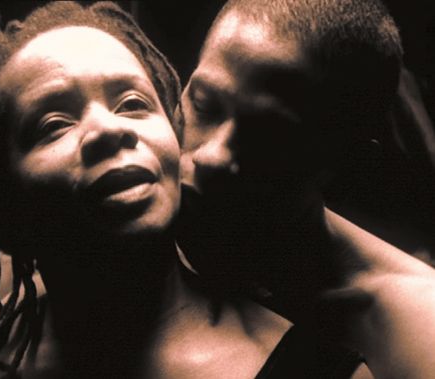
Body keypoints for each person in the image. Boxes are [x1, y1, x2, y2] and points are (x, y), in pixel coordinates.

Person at [177, 0, 435, 378]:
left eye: (267, 139)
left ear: (348, 163)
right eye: (204, 105)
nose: (212, 156)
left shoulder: (417, 331)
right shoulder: (117, 235)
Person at [0, 2, 190, 377]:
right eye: (54, 124)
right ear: (6, 195)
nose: (107, 129)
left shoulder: (293, 355)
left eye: (133, 104)